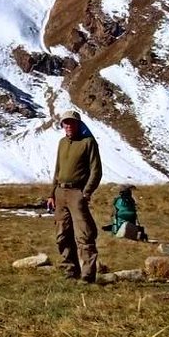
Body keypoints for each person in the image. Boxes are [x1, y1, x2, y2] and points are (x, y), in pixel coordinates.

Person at [49, 110, 102, 283]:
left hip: (77, 193)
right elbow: (57, 171)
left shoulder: (88, 143)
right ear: (62, 125)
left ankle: (87, 274)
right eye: (66, 123)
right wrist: (51, 194)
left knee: (84, 235)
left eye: (72, 123)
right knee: (62, 234)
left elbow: (96, 171)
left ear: (78, 124)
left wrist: (85, 193)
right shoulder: (62, 143)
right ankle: (69, 269)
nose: (69, 126)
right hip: (60, 193)